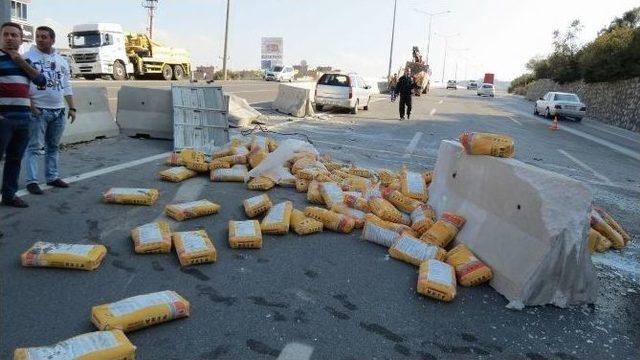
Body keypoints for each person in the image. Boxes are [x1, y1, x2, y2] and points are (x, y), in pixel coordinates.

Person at [24, 26, 76, 194]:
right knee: (34, 147)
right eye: (38, 36)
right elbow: (22, 85)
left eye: (44, 37)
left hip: (59, 111)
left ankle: (52, 177)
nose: (40, 39)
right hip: (38, 111)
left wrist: (72, 107)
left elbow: (66, 86)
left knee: (53, 146)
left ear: (53, 40)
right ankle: (32, 181)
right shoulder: (27, 58)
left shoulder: (61, 61)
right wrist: (31, 106)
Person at [0, 22, 47, 208]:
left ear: (21, 39)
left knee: (15, 159)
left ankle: (9, 195)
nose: (10, 38)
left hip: (23, 119)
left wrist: (18, 60)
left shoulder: (24, 62)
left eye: (14, 35)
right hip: (3, 120)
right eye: (6, 34)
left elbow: (41, 81)